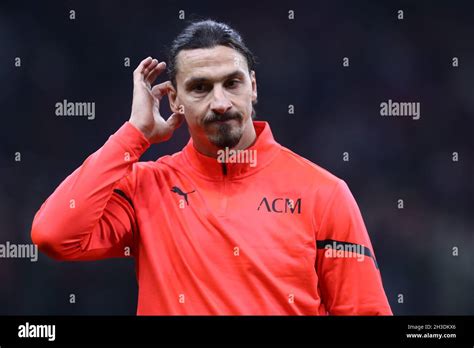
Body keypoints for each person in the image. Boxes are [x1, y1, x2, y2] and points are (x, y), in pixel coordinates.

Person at [31, 19, 392, 315]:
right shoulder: (147, 186)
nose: (220, 102)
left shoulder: (323, 193)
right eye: (200, 88)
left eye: (231, 83)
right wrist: (134, 134)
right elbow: (54, 235)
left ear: (252, 87)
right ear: (174, 99)